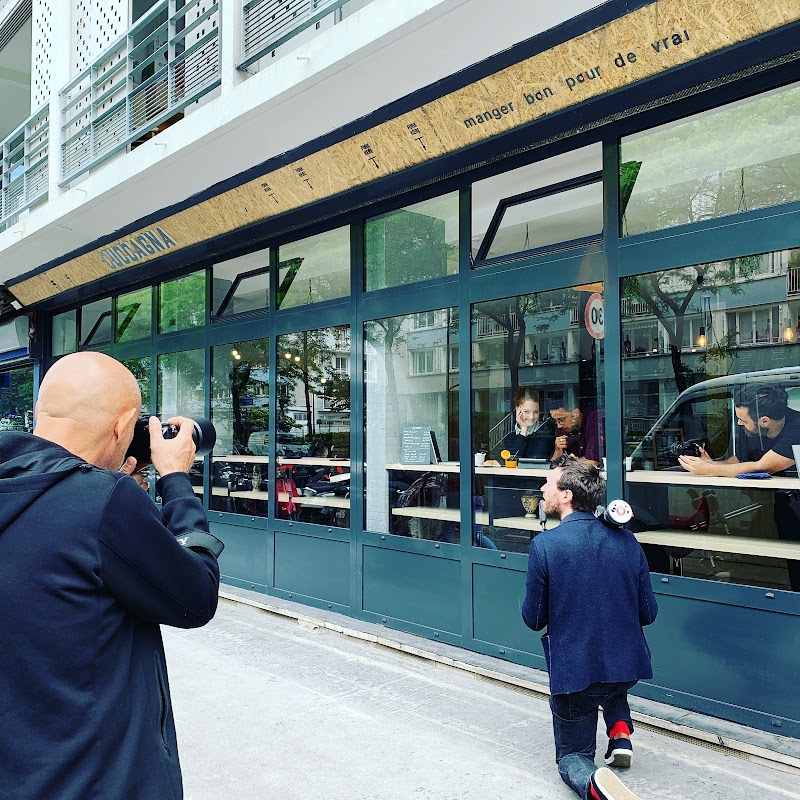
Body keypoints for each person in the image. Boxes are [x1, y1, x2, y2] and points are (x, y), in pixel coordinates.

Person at [0, 352, 224, 800]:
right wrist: (175, 480)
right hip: (99, 781)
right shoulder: (103, 503)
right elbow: (196, 597)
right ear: (123, 425)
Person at [522, 456, 657, 800]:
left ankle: (595, 786)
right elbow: (649, 612)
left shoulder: (545, 546)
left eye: (548, 483)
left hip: (576, 679)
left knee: (573, 756)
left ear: (566, 495)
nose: (542, 488)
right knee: (610, 681)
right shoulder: (628, 541)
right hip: (626, 667)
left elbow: (533, 619)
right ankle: (621, 730)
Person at [679, 384, 800, 591]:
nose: (738, 423)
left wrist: (708, 471)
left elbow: (762, 466)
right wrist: (711, 464)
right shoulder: (753, 430)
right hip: (776, 505)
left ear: (764, 421)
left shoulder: (797, 429)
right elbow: (739, 461)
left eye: (743, 420)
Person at [495, 386, 555, 461]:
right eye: (526, 412)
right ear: (517, 409)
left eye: (536, 412)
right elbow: (513, 460)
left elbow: (535, 461)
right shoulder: (510, 434)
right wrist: (523, 430)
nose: (531, 417)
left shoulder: (545, 433)